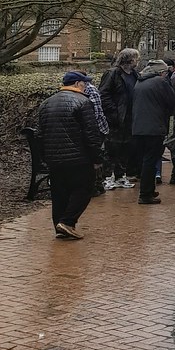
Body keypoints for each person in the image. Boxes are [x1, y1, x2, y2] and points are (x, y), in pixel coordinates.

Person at [38, 71, 104, 239]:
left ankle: (59, 226)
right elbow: (91, 134)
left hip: (54, 159)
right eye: (84, 83)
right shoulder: (83, 102)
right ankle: (67, 222)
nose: (86, 87)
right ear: (76, 84)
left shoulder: (46, 103)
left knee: (59, 192)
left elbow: (41, 134)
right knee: (84, 189)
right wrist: (97, 158)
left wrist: (45, 157)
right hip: (78, 158)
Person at [131, 60, 175, 205]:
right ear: (161, 72)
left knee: (145, 160)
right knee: (150, 161)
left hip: (138, 127)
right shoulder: (160, 82)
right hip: (154, 127)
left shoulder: (140, 81)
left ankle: (149, 190)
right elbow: (172, 102)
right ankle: (145, 194)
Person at [98, 48, 140, 189]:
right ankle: (107, 177)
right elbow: (103, 94)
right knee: (112, 148)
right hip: (116, 119)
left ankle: (121, 176)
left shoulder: (134, 74)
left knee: (125, 148)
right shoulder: (112, 74)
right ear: (129, 59)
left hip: (130, 118)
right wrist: (113, 113)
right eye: (136, 58)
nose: (137, 61)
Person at [83, 76, 110, 195]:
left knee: (94, 157)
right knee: (95, 156)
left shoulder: (90, 90)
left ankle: (96, 185)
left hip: (96, 130)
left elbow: (97, 113)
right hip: (97, 129)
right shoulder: (91, 90)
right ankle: (97, 184)